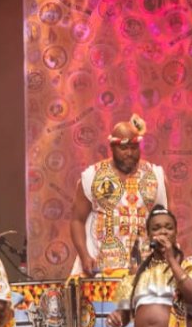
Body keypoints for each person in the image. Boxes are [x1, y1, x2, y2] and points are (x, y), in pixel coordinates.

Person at [70, 114, 168, 277]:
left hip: (143, 269)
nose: (129, 153)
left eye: (134, 147)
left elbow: (165, 221)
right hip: (100, 270)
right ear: (112, 147)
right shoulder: (92, 176)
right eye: (123, 148)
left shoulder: (155, 176)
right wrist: (84, 255)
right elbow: (77, 220)